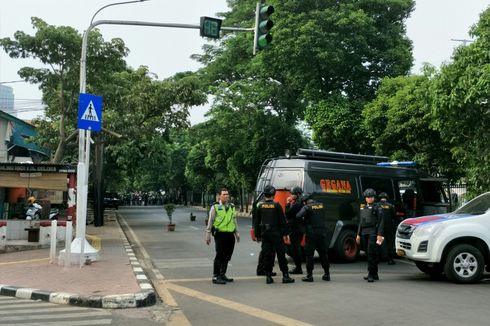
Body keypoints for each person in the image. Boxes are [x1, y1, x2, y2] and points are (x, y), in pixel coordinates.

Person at [254, 185, 295, 284]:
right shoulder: (277, 205)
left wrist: (258, 235)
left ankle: (268, 276)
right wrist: (286, 233)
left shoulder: (260, 206)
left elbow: (257, 222)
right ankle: (285, 276)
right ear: (273, 194)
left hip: (265, 235)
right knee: (281, 255)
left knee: (267, 255)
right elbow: (282, 221)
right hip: (276, 234)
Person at [205, 188, 240, 284]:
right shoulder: (215, 207)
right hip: (220, 234)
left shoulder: (232, 207)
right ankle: (215, 276)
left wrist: (237, 233)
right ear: (219, 196)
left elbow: (234, 220)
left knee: (227, 256)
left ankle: (222, 274)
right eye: (224, 194)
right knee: (219, 255)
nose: (226, 196)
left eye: (227, 194)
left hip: (230, 234)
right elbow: (210, 221)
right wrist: (208, 234)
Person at [296, 196, 331, 282]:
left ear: (305, 202)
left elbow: (298, 216)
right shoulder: (321, 206)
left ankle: (309, 276)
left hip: (311, 234)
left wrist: (304, 222)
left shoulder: (307, 207)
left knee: (309, 255)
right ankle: (327, 274)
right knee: (323, 254)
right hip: (322, 234)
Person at [356, 188, 385, 282]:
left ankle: (370, 274)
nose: (369, 198)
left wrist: (379, 234)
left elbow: (381, 222)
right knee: (368, 253)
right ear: (365, 198)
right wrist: (358, 234)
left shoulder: (378, 207)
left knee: (371, 253)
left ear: (374, 197)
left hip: (373, 232)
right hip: (364, 232)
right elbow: (361, 222)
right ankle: (375, 273)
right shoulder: (363, 207)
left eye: (371, 197)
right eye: (367, 197)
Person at [285, 186, 305, 274]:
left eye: (292, 194)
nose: (291, 195)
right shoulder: (301, 202)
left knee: (295, 249)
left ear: (297, 194)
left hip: (295, 229)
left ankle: (298, 268)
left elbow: (288, 214)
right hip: (299, 228)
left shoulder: (297, 204)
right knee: (297, 248)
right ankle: (298, 267)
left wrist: (288, 203)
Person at [378, 192, 397, 265]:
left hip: (380, 228)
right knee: (389, 243)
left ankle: (378, 259)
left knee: (379, 242)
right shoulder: (390, 206)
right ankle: (390, 259)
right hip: (389, 227)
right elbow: (394, 217)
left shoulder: (377, 206)